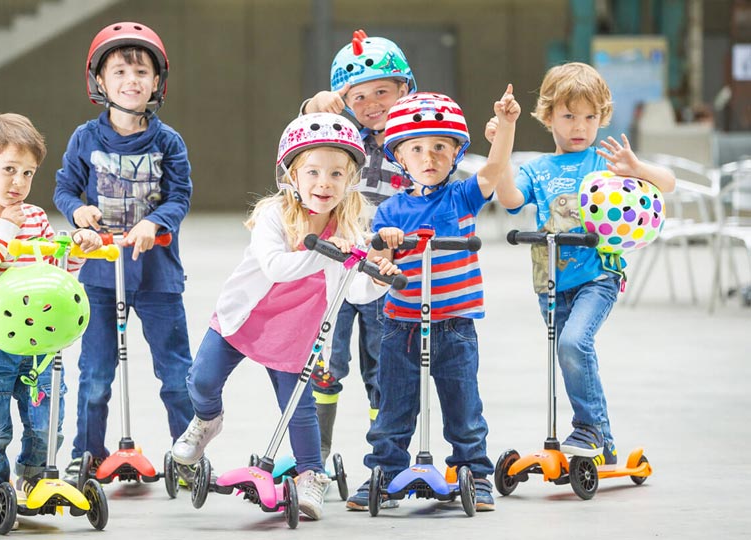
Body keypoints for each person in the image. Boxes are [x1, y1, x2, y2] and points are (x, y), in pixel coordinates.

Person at [171, 113, 401, 520]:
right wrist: (329, 251)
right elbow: (276, 267)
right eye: (312, 172)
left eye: (336, 173)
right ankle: (206, 422)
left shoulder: (349, 225)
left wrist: (379, 276)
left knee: (299, 407)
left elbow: (358, 291)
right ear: (291, 174)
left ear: (350, 180)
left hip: (295, 332)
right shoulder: (274, 216)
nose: (324, 183)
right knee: (201, 379)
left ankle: (312, 474)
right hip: (245, 317)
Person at [489, 62, 675, 467]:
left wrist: (637, 170)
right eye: (569, 115)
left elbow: (669, 183)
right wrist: (501, 145)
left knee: (575, 343)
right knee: (568, 352)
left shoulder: (605, 162)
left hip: (598, 276)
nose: (580, 126)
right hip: (551, 282)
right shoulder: (538, 170)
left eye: (590, 117)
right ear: (549, 115)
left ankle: (588, 428)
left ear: (601, 118)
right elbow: (509, 199)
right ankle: (602, 440)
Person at [353, 87, 521, 512]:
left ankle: (474, 474)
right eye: (417, 149)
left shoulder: (462, 195)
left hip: (454, 324)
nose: (429, 158)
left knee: (464, 408)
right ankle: (386, 472)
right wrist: (385, 248)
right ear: (400, 157)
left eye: (440, 148)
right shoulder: (391, 210)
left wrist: (506, 126)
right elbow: (378, 262)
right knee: (394, 407)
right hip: (401, 325)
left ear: (456, 153)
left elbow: (497, 166)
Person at [52, 22, 195, 483]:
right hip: (98, 276)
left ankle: (187, 455)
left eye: (141, 71)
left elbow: (179, 196)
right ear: (100, 81)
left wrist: (155, 222)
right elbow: (64, 189)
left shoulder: (167, 141)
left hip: (157, 276)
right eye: (119, 71)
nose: (130, 80)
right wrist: (79, 214)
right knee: (94, 376)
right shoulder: (85, 139)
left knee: (176, 375)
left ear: (157, 82)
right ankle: (87, 453)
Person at [0, 112, 102, 530]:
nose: (18, 182)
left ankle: (33, 484)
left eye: (28, 173)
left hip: (38, 347)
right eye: (8, 170)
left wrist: (77, 251)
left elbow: (52, 273)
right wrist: (0, 230)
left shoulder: (34, 218)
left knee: (46, 424)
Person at [301, 29, 416, 461]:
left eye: (382, 92)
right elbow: (303, 143)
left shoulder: (412, 143)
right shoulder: (338, 140)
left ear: (405, 89)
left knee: (382, 366)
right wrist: (318, 106)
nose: (371, 106)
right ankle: (317, 455)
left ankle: (383, 456)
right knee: (325, 364)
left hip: (385, 268)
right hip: (336, 265)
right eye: (358, 98)